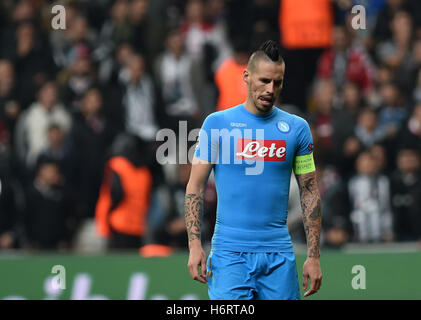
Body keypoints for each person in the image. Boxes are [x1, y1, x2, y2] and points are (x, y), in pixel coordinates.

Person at [185, 40, 322, 300]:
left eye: (278, 82)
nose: (271, 89)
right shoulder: (216, 125)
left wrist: (313, 256)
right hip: (229, 255)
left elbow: (310, 192)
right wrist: (194, 245)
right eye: (264, 80)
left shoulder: (297, 129)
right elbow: (195, 186)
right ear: (246, 76)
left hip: (279, 255)